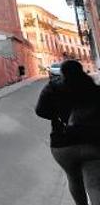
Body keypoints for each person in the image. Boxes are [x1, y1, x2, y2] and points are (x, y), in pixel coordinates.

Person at [36, 60, 100, 205]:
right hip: (92, 143)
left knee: (74, 179)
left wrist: (58, 116)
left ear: (62, 74)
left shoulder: (52, 89)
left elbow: (40, 111)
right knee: (95, 183)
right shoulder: (94, 89)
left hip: (62, 145)